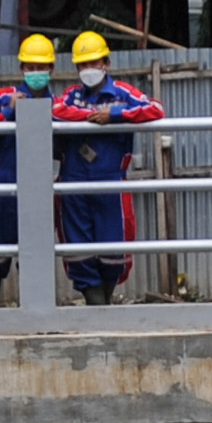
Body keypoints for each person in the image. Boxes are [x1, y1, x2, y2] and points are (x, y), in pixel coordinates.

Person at [56, 31, 165, 304]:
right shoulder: (72, 95)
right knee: (78, 250)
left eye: (94, 63)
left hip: (111, 181)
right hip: (74, 181)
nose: (88, 69)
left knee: (114, 251)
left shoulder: (123, 93)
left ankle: (103, 308)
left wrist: (115, 115)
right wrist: (91, 119)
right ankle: (96, 307)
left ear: (106, 63)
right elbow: (55, 110)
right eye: (82, 65)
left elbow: (155, 110)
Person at [0, 34, 73, 306]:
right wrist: (9, 112)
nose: (35, 73)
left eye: (41, 67)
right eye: (30, 67)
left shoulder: (59, 106)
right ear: (21, 69)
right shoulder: (3, 97)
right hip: (1, 187)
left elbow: (66, 146)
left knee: (35, 253)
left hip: (39, 188)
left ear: (51, 69)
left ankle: (34, 316)